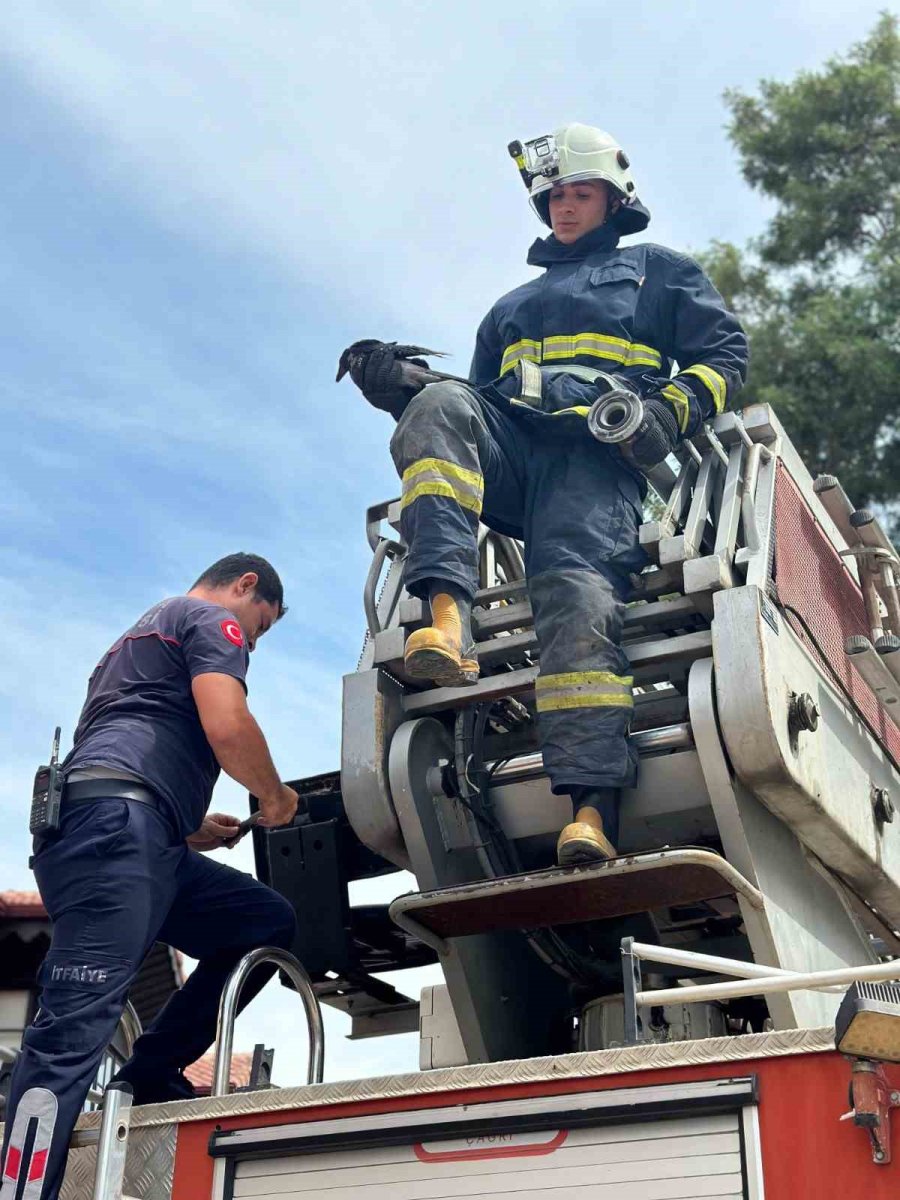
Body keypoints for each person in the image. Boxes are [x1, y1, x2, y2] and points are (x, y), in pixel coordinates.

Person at [347, 123, 748, 867]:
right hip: (520, 454)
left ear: (613, 198)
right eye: (555, 196)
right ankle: (446, 623)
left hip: (594, 466)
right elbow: (476, 406)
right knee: (436, 409)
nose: (564, 208)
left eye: (579, 193)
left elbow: (725, 355)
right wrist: (407, 388)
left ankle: (590, 812)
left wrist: (669, 410)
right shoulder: (509, 309)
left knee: (578, 602)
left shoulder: (655, 273)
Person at [0, 553, 300, 1200]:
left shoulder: (129, 647)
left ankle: (150, 1071)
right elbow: (227, 724)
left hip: (127, 834)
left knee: (264, 922)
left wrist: (186, 827)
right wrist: (273, 797)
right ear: (245, 587)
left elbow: (119, 749)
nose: (251, 642)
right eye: (260, 627)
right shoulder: (208, 620)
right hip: (119, 841)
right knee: (71, 1033)